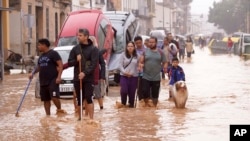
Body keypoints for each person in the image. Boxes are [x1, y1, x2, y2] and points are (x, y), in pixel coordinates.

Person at [68, 28, 99, 120]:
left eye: (80, 35)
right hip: (78, 78)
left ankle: (91, 119)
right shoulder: (75, 49)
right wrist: (76, 60)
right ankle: (79, 118)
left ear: (86, 37)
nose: (78, 37)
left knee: (89, 97)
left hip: (88, 78)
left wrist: (85, 73)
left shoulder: (93, 49)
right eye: (78, 35)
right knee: (79, 98)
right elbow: (70, 63)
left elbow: (94, 64)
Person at [29, 38, 65, 115]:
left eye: (39, 45)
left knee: (54, 97)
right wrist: (32, 73)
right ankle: (48, 116)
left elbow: (60, 65)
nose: (38, 47)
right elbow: (38, 67)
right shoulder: (41, 56)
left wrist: (59, 77)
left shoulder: (53, 53)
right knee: (46, 99)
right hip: (43, 80)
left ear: (44, 45)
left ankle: (59, 110)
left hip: (53, 79)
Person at [139, 36, 168, 107]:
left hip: (156, 77)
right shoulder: (145, 52)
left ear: (156, 43)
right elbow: (141, 61)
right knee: (145, 92)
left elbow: (165, 61)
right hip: (146, 76)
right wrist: (141, 65)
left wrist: (165, 67)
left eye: (152, 42)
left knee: (155, 95)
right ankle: (147, 106)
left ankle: (154, 108)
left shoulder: (160, 52)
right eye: (150, 42)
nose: (151, 44)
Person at [119, 41, 139, 108]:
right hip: (124, 76)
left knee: (132, 94)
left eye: (131, 46)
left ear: (134, 47)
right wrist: (125, 72)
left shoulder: (137, 56)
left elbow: (139, 65)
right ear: (126, 47)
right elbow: (120, 65)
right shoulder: (123, 55)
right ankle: (123, 105)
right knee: (124, 91)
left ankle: (131, 109)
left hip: (134, 77)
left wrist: (140, 68)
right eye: (128, 46)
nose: (130, 48)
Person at [89, 36, 106, 110]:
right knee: (87, 93)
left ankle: (101, 107)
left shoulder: (97, 52)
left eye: (92, 42)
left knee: (98, 93)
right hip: (87, 75)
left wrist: (102, 76)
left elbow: (102, 64)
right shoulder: (84, 51)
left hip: (96, 76)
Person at [134, 36, 146, 101]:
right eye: (137, 43)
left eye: (140, 43)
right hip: (136, 73)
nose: (138, 44)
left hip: (146, 73)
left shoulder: (146, 50)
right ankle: (141, 102)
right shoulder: (133, 51)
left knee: (145, 89)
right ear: (135, 43)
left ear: (142, 42)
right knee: (139, 90)